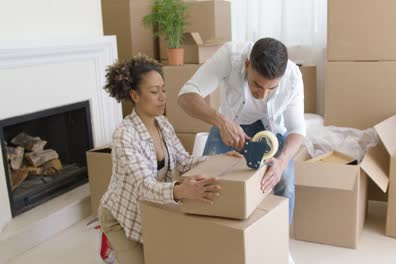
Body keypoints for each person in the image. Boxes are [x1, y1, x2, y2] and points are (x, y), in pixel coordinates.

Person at [98, 54, 239, 264]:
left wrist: (219, 159)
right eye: (154, 92)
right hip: (122, 217)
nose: (163, 97)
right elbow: (142, 187)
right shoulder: (124, 135)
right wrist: (181, 190)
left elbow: (183, 161)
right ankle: (110, 245)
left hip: (151, 210)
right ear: (135, 95)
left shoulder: (162, 124)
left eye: (163, 90)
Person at [178, 38, 305, 264]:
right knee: (207, 177)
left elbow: (297, 130)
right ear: (247, 64)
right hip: (230, 123)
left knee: (283, 178)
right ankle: (211, 246)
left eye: (271, 88)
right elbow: (186, 96)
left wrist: (282, 161)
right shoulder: (230, 55)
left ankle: (278, 244)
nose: (262, 95)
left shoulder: (293, 76)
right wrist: (221, 122)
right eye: (257, 85)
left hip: (271, 130)